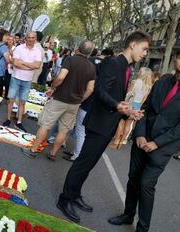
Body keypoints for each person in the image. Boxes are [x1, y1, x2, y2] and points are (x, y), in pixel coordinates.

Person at [56, 31, 150, 223]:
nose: (146, 53)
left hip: (107, 125)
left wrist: (127, 111)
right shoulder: (114, 63)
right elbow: (100, 91)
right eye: (145, 49)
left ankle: (74, 194)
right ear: (133, 45)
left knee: (88, 165)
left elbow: (114, 95)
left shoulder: (127, 68)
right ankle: (64, 199)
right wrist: (116, 105)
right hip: (99, 124)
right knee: (83, 163)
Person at [109, 50, 180, 232]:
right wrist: (140, 134)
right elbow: (145, 108)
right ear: (174, 60)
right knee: (133, 179)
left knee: (146, 185)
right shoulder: (163, 81)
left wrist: (156, 143)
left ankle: (142, 228)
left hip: (162, 148)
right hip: (142, 140)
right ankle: (128, 214)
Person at [21, 39, 96, 159]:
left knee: (45, 125)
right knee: (63, 130)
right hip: (74, 104)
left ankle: (33, 150)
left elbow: (61, 77)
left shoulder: (70, 60)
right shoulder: (92, 67)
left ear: (78, 48)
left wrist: (52, 86)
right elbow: (90, 89)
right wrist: (81, 99)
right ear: (90, 52)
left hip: (60, 99)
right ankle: (53, 153)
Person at [63, 48, 114, 162]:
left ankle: (77, 154)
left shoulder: (91, 62)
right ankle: (76, 151)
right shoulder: (107, 72)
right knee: (80, 129)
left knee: (80, 129)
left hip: (86, 101)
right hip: (91, 103)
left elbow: (90, 87)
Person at [3, 32, 42, 132]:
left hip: (27, 81)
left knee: (22, 102)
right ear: (25, 38)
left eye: (33, 37)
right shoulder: (19, 48)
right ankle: (8, 119)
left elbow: (37, 65)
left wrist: (23, 62)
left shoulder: (37, 51)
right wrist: (30, 66)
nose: (30, 39)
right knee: (11, 100)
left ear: (35, 39)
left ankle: (19, 122)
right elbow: (15, 63)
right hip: (16, 78)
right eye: (28, 37)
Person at [109, 67, 157, 149]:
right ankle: (121, 142)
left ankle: (116, 142)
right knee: (128, 124)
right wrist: (138, 108)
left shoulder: (135, 82)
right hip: (138, 106)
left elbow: (129, 93)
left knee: (121, 122)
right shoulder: (149, 86)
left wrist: (124, 102)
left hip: (129, 104)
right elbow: (144, 99)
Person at [3, 35, 16, 100]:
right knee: (2, 82)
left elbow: (16, 60)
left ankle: (7, 98)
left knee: (8, 84)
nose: (10, 41)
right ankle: (0, 96)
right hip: (3, 68)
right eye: (9, 39)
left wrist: (12, 54)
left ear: (13, 41)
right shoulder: (5, 47)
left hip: (10, 69)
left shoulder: (15, 49)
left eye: (11, 40)